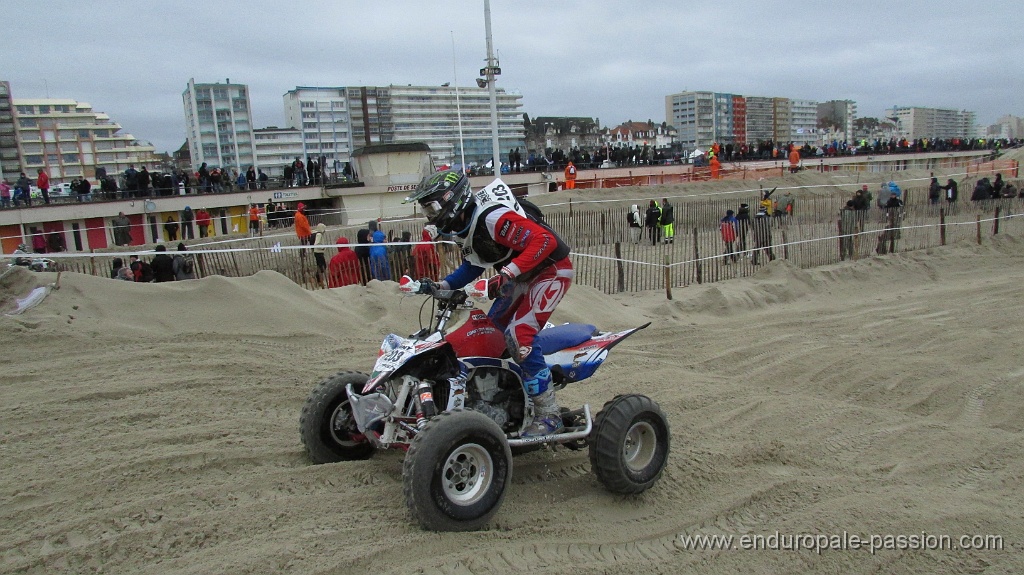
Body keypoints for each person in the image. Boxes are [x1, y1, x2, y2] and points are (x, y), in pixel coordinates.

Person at [405, 170, 574, 437]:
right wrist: (440, 286)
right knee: (492, 330)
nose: (429, 214)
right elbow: (472, 265)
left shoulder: (493, 217)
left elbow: (545, 240)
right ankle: (509, 393)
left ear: (451, 200)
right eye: (426, 208)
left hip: (552, 270)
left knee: (520, 336)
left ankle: (549, 414)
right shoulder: (466, 226)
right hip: (521, 276)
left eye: (432, 206)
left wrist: (506, 274)